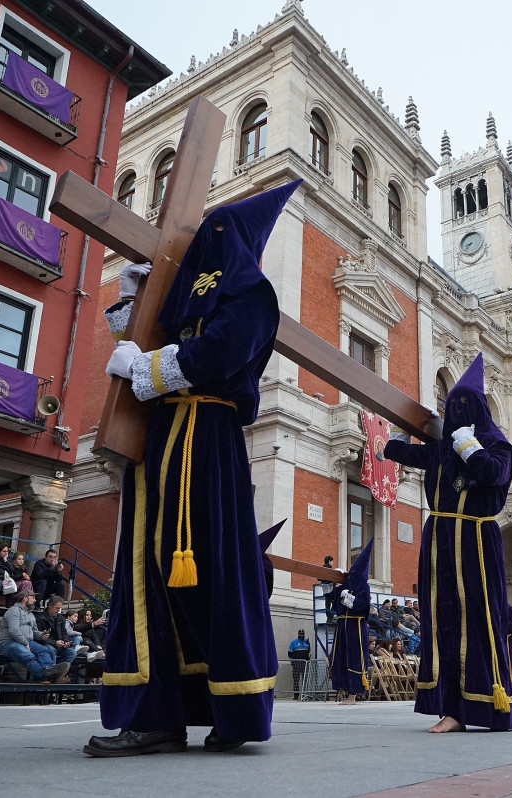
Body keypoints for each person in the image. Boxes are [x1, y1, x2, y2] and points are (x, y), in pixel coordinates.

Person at [84, 181, 301, 758]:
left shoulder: (253, 293)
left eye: (220, 232)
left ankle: (232, 709)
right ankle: (156, 712)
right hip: (162, 439)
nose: (211, 239)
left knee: (211, 568)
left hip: (208, 438)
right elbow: (151, 343)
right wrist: (137, 300)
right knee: (149, 571)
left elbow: (220, 353)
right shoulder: (193, 294)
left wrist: (146, 365)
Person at [383, 353, 512, 733]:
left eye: (464, 405)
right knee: (441, 618)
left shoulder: (498, 445)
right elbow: (405, 452)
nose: (456, 410)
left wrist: (470, 448)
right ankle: (451, 706)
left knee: (479, 616)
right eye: (450, 405)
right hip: (440, 538)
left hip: (476, 538)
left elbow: (494, 475)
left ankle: (486, 702)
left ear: (478, 409)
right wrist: (394, 428)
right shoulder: (443, 448)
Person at [329, 540, 373, 705]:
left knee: (354, 657)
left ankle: (353, 695)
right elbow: (333, 601)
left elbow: (362, 607)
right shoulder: (343, 586)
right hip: (342, 625)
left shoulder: (364, 588)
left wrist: (348, 597)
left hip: (356, 626)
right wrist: (331, 582)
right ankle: (343, 691)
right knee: (340, 656)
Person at [0, 589, 68, 683]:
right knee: (28, 656)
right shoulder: (14, 611)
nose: (35, 600)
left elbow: (35, 632)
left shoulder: (31, 614)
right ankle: (45, 677)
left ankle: (51, 669)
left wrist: (42, 635)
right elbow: (13, 631)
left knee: (43, 650)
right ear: (25, 598)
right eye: (33, 598)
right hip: (8, 642)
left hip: (26, 642)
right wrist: (25, 643)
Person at [39, 597, 84, 670]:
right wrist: (54, 643)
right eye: (57, 608)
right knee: (51, 650)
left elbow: (64, 633)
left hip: (59, 644)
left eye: (60, 608)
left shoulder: (61, 618)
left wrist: (66, 641)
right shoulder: (40, 618)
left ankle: (58, 672)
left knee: (72, 653)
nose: (58, 610)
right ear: (50, 606)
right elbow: (39, 637)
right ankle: (52, 673)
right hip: (46, 644)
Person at [288, 629, 312, 700]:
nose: (301, 635)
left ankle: (304, 694)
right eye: (300, 634)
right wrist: (294, 660)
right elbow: (289, 654)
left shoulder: (306, 642)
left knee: (305, 679)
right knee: (296, 680)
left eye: (303, 634)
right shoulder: (294, 642)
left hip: (305, 664)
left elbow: (308, 652)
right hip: (296, 664)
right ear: (298, 634)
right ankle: (296, 695)